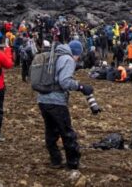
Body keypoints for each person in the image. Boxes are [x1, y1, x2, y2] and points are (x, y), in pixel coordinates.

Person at [35, 40, 92, 170]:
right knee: (67, 132)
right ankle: (73, 163)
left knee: (50, 131)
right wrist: (81, 86)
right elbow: (65, 82)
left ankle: (55, 160)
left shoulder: (54, 55)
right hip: (56, 101)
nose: (78, 59)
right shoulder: (68, 59)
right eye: (79, 55)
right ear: (76, 52)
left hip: (42, 100)